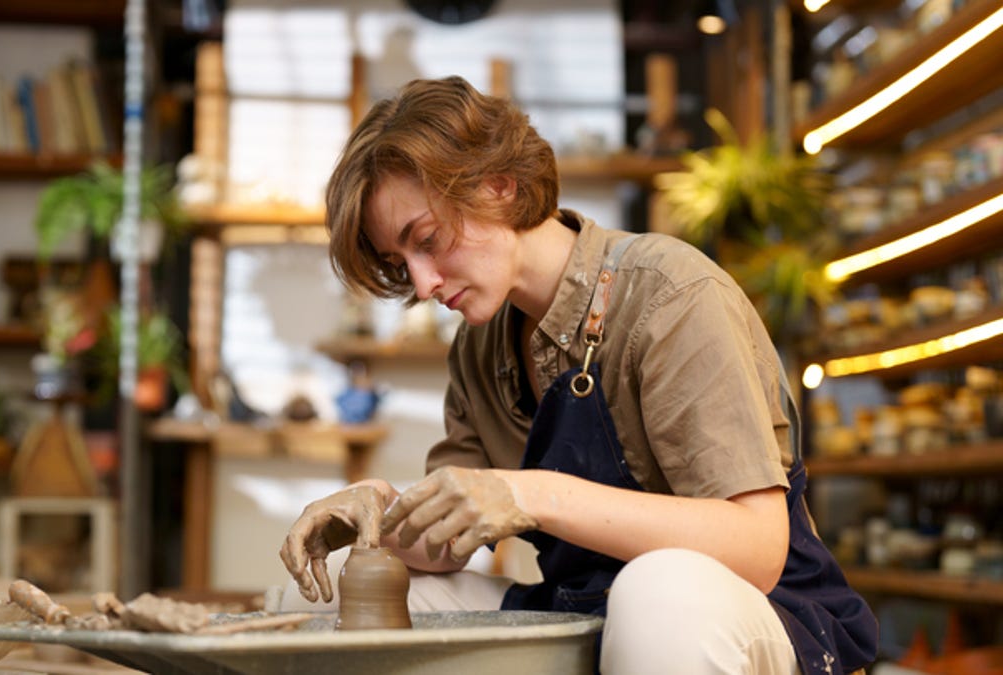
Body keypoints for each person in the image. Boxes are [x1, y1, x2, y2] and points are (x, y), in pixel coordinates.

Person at [279, 76, 877, 674]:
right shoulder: (479, 345)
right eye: (400, 264)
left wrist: (531, 495)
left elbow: (756, 547)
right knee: (330, 591)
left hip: (762, 619)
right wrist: (375, 517)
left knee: (661, 591)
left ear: (497, 185)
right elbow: (444, 540)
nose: (424, 284)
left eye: (428, 241)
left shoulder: (671, 294)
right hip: (589, 611)